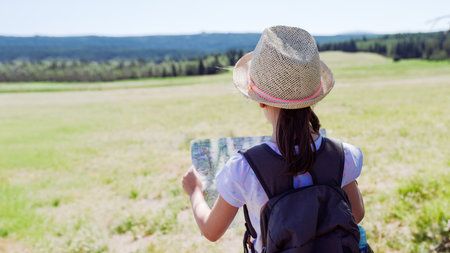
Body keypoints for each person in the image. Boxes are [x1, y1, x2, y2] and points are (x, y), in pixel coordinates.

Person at [182, 25, 365, 252]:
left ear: (259, 99)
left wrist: (195, 192)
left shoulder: (243, 169)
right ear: (314, 99)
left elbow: (211, 231)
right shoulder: (343, 155)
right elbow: (355, 215)